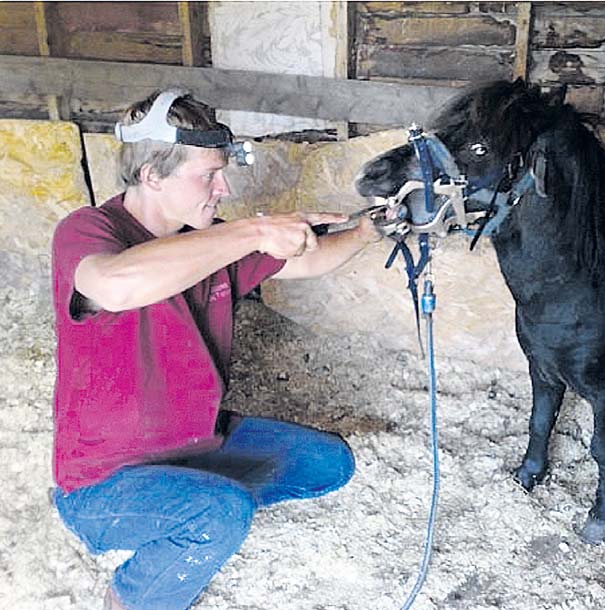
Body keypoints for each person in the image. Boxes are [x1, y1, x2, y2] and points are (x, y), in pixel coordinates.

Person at [50, 89, 381, 610]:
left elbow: (308, 263)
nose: (223, 189)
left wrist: (369, 230)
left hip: (198, 443)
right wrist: (257, 229)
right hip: (104, 483)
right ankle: (128, 595)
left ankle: (192, 507)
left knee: (329, 464)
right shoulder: (89, 230)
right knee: (222, 511)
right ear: (152, 175)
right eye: (208, 175)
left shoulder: (214, 240)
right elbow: (113, 285)